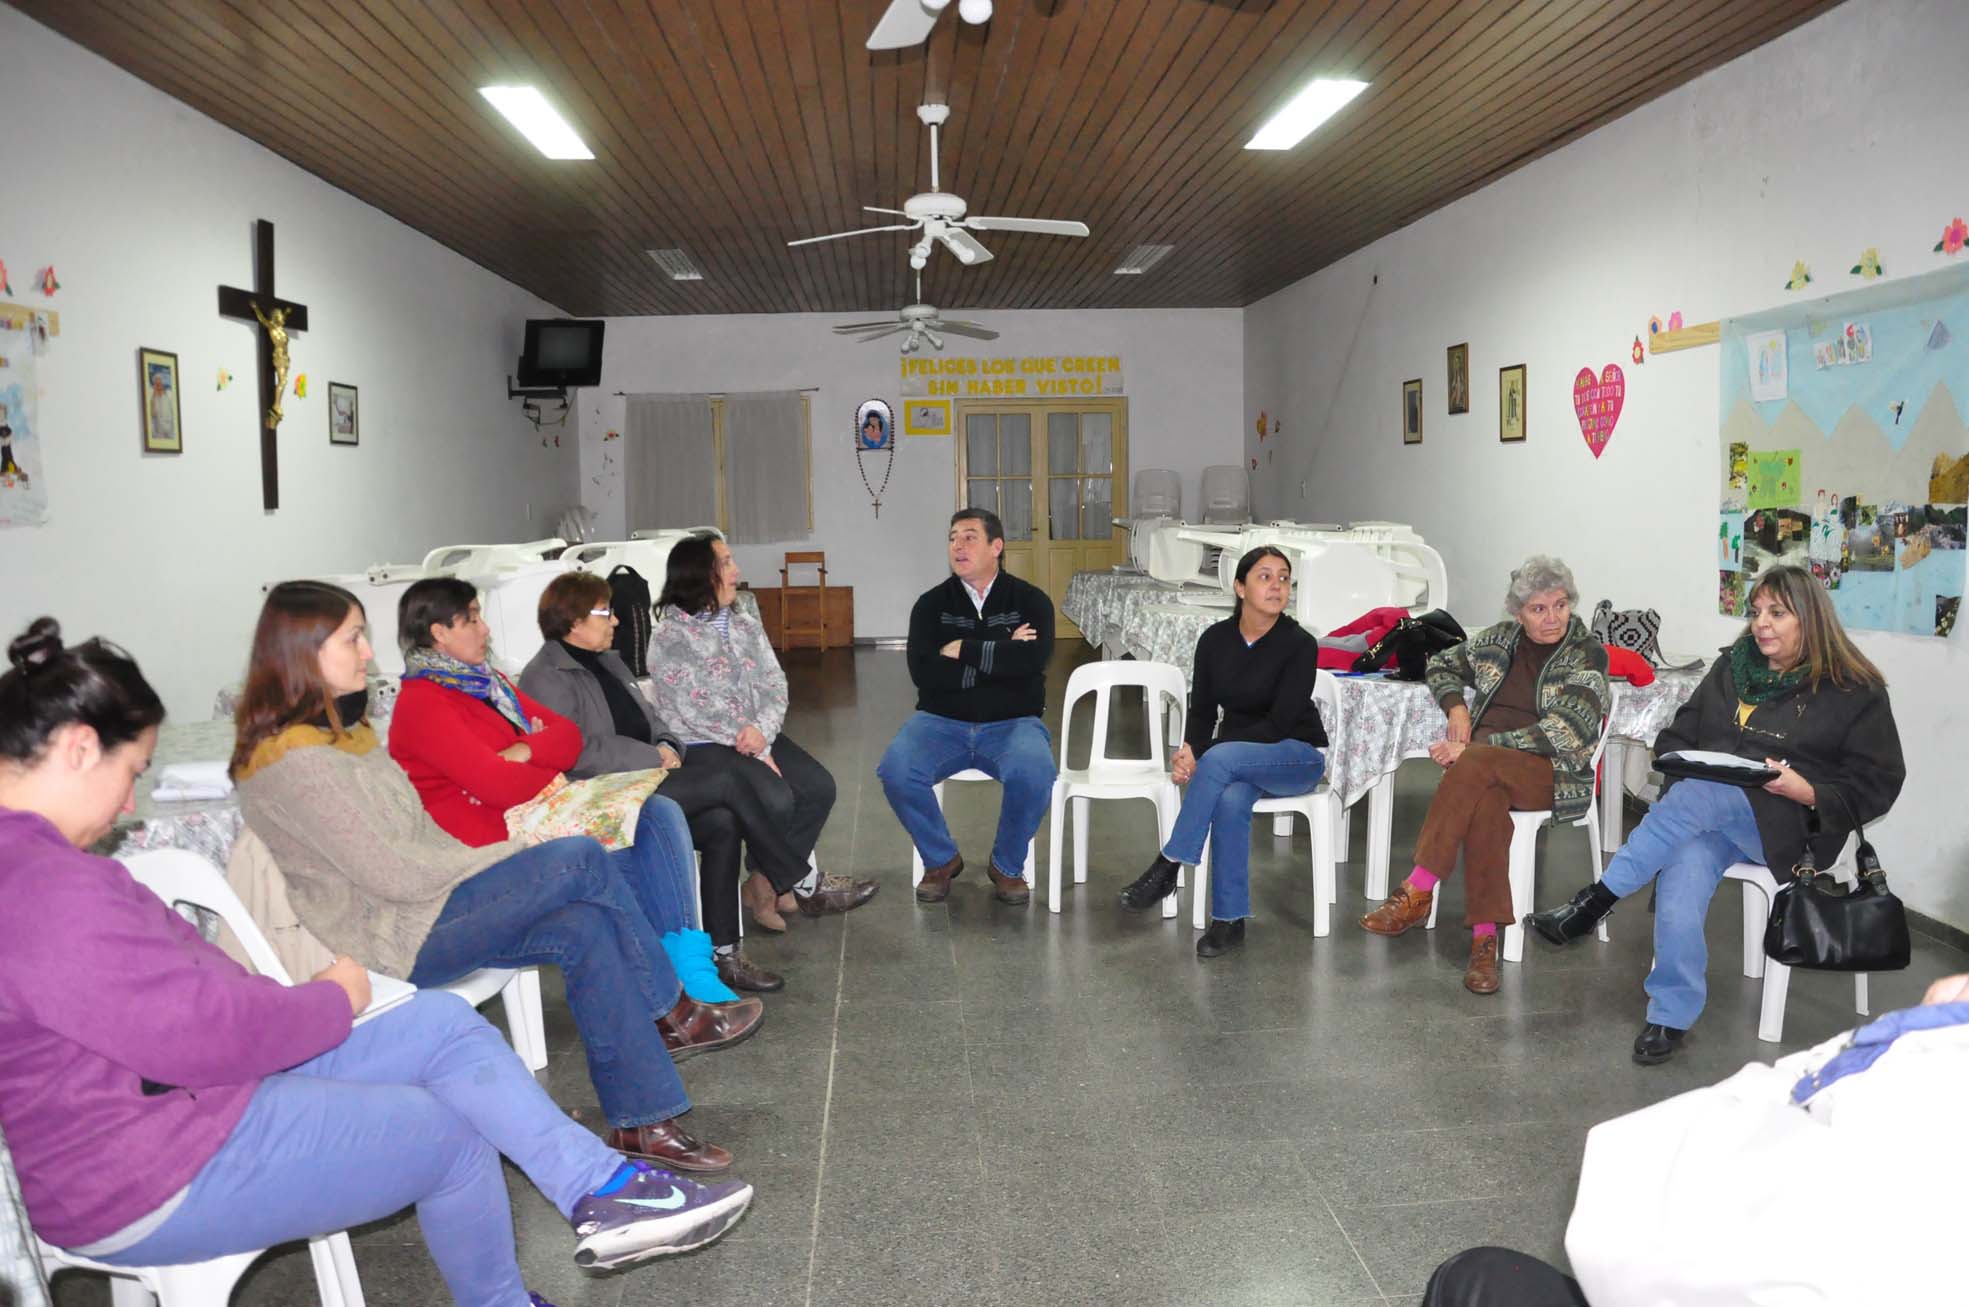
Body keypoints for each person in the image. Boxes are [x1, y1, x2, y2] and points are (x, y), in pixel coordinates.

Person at [0, 617, 751, 1307]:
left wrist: (301, 1005)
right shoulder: (40, 886)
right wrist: (328, 1000)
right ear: (76, 748)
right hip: (143, 1165)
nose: (131, 800)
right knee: (453, 1136)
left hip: (189, 1097)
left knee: (441, 1023)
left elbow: (195, 994)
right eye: (132, 771)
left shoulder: (47, 867)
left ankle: (603, 1186)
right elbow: (201, 1033)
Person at [231, 581, 757, 1174]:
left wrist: (505, 839)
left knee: (585, 925)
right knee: (579, 857)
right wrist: (506, 856)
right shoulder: (297, 762)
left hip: (429, 904)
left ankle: (643, 1121)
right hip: (388, 937)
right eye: (353, 637)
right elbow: (395, 872)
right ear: (303, 651)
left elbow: (426, 836)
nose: (369, 653)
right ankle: (672, 1007)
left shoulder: (345, 738)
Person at [1525, 563, 1904, 1063]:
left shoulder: (1853, 689)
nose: (1761, 624)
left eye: (1777, 613)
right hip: (1712, 815)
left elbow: (1880, 782)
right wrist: (1685, 762)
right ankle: (1670, 1013)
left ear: (1810, 618)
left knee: (1700, 797)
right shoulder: (1733, 667)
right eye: (1756, 612)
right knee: (1685, 862)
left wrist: (1808, 792)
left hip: (1794, 826)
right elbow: (1680, 732)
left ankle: (1594, 903)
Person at [1423, 971, 1969, 1307]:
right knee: (1688, 834)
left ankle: (1596, 906)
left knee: (1472, 1280)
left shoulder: (1924, 1091)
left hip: (1788, 829)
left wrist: (1898, 1044)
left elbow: (1641, 1243)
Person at [385, 576, 746, 1002]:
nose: (486, 629)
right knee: (627, 851)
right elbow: (498, 785)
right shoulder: (424, 703)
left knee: (660, 813)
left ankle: (689, 967)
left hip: (540, 809)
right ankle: (665, 996)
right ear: (439, 633)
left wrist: (523, 749)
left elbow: (568, 737)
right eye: (472, 619)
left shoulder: (488, 683)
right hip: (492, 840)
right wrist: (542, 761)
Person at [519, 569, 861, 992]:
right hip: (603, 794)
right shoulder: (544, 677)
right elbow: (576, 752)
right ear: (572, 619)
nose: (617, 621)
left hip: (646, 775)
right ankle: (793, 873)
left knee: (722, 821)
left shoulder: (609, 660)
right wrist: (652, 756)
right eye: (605, 612)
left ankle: (725, 953)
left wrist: (666, 744)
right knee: (728, 781)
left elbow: (653, 717)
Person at [1359, 556, 1610, 996]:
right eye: (1538, 609)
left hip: (1550, 771)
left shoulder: (1586, 653)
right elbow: (1440, 664)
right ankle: (1484, 944)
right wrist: (1455, 704)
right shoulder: (1498, 640)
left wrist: (1480, 749)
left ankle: (1417, 888)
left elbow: (1567, 730)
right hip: (1486, 769)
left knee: (1473, 766)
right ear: (1518, 613)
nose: (1552, 617)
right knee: (1485, 801)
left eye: (1560, 604)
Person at [645, 533, 873, 931]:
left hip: (755, 736)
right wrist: (752, 742)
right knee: (777, 797)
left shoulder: (744, 623)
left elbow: (774, 683)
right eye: (727, 563)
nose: (737, 572)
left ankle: (763, 883)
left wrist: (763, 734)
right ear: (702, 574)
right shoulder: (670, 636)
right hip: (705, 743)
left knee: (819, 787)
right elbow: (693, 706)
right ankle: (801, 885)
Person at [1116, 546, 1327, 958]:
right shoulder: (1215, 640)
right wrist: (1190, 749)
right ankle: (1229, 921)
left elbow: (1279, 724)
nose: (1277, 585)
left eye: (1284, 578)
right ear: (1239, 587)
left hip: (1294, 754)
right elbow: (1202, 709)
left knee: (1219, 760)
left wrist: (1207, 753)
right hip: (1235, 761)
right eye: (1265, 576)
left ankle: (1168, 865)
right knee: (1229, 800)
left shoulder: (1299, 644)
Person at [877, 507, 1056, 906]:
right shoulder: (930, 605)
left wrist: (962, 649)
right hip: (940, 721)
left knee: (1035, 770)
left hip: (1014, 722)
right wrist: (1002, 651)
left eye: (970, 536)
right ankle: (941, 859)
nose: (958, 545)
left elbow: (1032, 665)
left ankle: (1007, 866)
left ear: (997, 546)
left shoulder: (1030, 601)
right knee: (896, 769)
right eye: (953, 537)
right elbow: (925, 675)